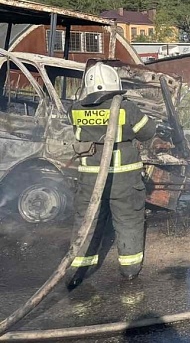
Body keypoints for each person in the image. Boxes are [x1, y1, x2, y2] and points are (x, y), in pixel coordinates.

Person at [67, 61, 157, 288]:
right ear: (115, 84)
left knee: (87, 222)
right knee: (128, 221)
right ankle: (129, 270)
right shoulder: (126, 108)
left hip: (89, 180)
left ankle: (80, 270)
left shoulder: (75, 109)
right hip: (123, 180)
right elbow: (148, 132)